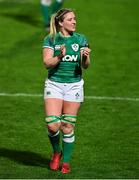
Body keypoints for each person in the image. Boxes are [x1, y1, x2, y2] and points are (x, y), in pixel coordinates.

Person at [42, 8, 91, 174]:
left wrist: (85, 56)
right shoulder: (51, 39)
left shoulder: (81, 39)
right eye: (70, 19)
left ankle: (66, 162)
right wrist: (59, 57)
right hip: (54, 84)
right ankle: (57, 152)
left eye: (75, 19)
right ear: (60, 23)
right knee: (52, 125)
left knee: (67, 126)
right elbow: (47, 63)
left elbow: (85, 65)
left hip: (74, 85)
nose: (74, 22)